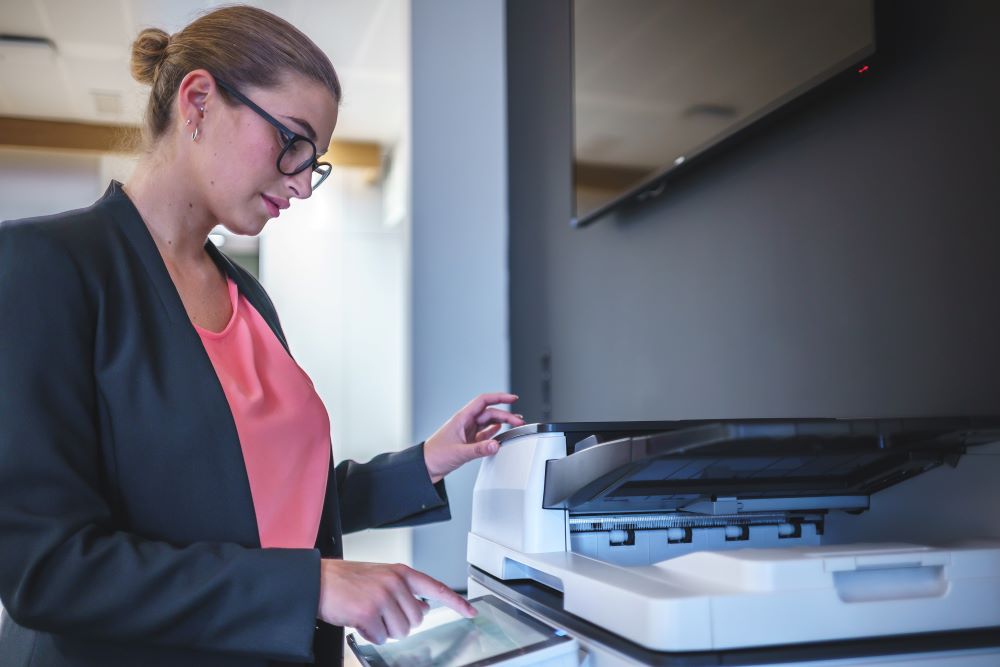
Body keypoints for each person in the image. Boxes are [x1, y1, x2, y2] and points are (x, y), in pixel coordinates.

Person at [0, 6, 524, 666]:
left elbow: (268, 498)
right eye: (293, 142)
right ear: (197, 102)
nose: (303, 182)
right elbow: (48, 569)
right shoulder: (49, 266)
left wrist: (425, 461)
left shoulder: (249, 299)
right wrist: (310, 587)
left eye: (317, 162)